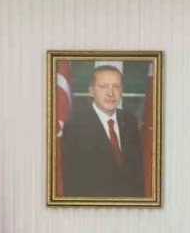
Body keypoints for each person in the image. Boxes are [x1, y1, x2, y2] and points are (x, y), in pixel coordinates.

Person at [60, 64, 146, 198]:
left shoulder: (130, 121)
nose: (111, 93)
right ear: (91, 91)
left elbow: (137, 175)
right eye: (103, 86)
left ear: (122, 90)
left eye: (116, 86)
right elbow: (73, 183)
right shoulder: (75, 126)